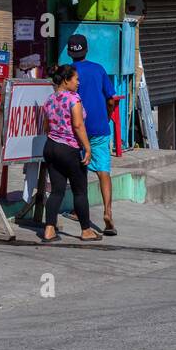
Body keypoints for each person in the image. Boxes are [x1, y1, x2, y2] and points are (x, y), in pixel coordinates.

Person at [41, 64, 102, 243]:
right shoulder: (73, 99)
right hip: (69, 149)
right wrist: (88, 148)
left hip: (51, 147)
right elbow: (78, 125)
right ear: (66, 80)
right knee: (80, 191)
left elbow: (46, 127)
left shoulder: (49, 100)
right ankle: (86, 230)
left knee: (56, 191)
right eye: (76, 79)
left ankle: (49, 230)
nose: (78, 83)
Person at [66, 33, 119, 235]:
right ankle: (108, 211)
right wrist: (105, 117)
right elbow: (111, 99)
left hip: (78, 128)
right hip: (100, 127)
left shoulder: (68, 72)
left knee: (81, 172)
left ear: (70, 52)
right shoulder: (99, 69)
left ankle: (79, 211)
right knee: (103, 171)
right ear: (86, 50)